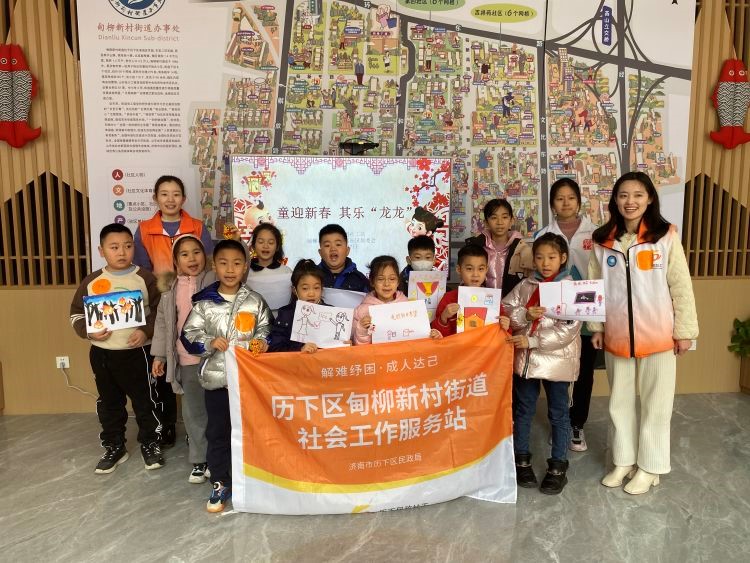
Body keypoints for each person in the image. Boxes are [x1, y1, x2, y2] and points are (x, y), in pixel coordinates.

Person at [589, 171, 698, 495]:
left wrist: (684, 331)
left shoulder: (665, 236)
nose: (630, 201)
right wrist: (596, 326)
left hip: (658, 335)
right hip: (617, 336)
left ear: (649, 198)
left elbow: (680, 285)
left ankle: (650, 467)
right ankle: (623, 460)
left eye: (638, 195)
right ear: (615, 199)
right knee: (619, 403)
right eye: (624, 195)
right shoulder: (602, 240)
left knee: (656, 405)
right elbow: (595, 288)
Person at [181, 240, 273, 512]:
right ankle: (220, 482)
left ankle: (252, 481)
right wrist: (209, 343)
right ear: (215, 266)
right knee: (218, 433)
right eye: (223, 263)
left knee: (250, 433)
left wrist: (262, 342)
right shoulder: (204, 303)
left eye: (236, 263)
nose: (230, 269)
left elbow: (266, 330)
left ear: (245, 267)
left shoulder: (255, 301)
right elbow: (188, 335)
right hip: (217, 381)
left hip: (248, 382)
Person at [69, 223, 164, 474]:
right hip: (103, 354)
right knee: (109, 402)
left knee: (146, 401)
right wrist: (88, 331)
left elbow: (161, 312)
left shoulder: (145, 278)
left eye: (127, 246)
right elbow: (76, 313)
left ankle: (150, 443)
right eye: (114, 247)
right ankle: (114, 446)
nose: (122, 252)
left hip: (139, 353)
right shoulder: (92, 281)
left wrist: (145, 331)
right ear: (101, 251)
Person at [133, 175, 213, 447]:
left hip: (197, 297)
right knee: (166, 363)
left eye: (176, 194)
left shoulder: (197, 226)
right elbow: (143, 270)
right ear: (155, 198)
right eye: (164, 194)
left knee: (202, 383)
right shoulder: (144, 229)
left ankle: (202, 436)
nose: (170, 199)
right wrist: (160, 296)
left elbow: (209, 263)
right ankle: (167, 425)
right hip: (163, 298)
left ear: (183, 198)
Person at [502, 233, 582, 495]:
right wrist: (524, 315)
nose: (545, 263)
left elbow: (568, 330)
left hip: (557, 363)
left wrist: (533, 341)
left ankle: (558, 466)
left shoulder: (570, 289)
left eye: (551, 257)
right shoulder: (526, 285)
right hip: (526, 362)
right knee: (523, 411)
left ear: (563, 258)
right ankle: (521, 460)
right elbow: (505, 310)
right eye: (539, 257)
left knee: (558, 414)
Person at [535, 178, 597, 451]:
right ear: (552, 204)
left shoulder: (596, 234)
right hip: (555, 316)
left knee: (584, 372)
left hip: (587, 311)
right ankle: (559, 423)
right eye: (560, 198)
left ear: (579, 201)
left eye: (571, 197)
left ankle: (577, 424)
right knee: (557, 372)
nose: (566, 203)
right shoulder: (543, 234)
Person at [150, 235, 215, 484]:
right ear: (176, 261)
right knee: (193, 412)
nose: (192, 258)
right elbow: (163, 324)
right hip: (187, 360)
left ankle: (218, 457)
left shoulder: (213, 280)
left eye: (196, 252)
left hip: (215, 358)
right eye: (184, 254)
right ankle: (199, 460)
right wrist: (159, 355)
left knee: (217, 411)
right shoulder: (170, 291)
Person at [353, 256, 442, 345]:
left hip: (405, 354)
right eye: (380, 279)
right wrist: (362, 330)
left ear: (398, 281)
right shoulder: (362, 312)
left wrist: (432, 335)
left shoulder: (409, 307)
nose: (386, 284)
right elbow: (358, 347)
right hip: (378, 354)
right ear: (372, 281)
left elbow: (420, 339)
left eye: (392, 279)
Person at [431, 244, 509, 337]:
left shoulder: (493, 299)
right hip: (458, 346)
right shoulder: (449, 298)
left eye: (481, 269)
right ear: (459, 269)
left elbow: (505, 336)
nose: (475, 274)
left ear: (486, 270)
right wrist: (443, 317)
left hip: (485, 346)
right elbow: (437, 336)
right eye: (469, 269)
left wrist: (506, 327)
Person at [465, 198, 533, 297]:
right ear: (486, 222)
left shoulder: (523, 249)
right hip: (481, 301)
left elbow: (530, 282)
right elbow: (466, 278)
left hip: (511, 303)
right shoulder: (477, 247)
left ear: (511, 221)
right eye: (494, 217)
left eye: (504, 217)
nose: (499, 222)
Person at [271, 259, 339, 353]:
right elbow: (275, 347)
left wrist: (344, 344)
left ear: (322, 289)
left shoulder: (332, 312)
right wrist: (299, 349)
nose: (311, 293)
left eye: (316, 288)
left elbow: (336, 347)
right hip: (297, 362)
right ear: (294, 290)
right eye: (305, 288)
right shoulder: (285, 314)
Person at [246, 223, 292, 317]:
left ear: (277, 246)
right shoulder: (245, 272)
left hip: (282, 322)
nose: (265, 246)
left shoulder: (287, 272)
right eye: (261, 242)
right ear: (253, 245)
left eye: (270, 242)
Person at [317, 224, 370, 293]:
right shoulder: (311, 276)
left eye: (338, 244)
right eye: (327, 245)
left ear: (347, 251)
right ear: (320, 253)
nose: (333, 249)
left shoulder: (360, 279)